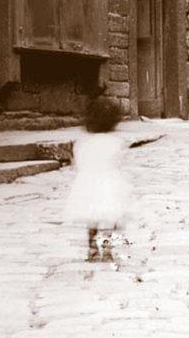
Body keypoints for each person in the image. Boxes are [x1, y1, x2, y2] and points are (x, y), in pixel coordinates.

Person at [65, 96, 131, 262]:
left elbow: (78, 162)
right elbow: (118, 162)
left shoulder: (82, 142)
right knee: (111, 218)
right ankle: (107, 249)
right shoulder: (116, 142)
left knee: (92, 219)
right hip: (109, 184)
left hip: (88, 184)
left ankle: (92, 248)